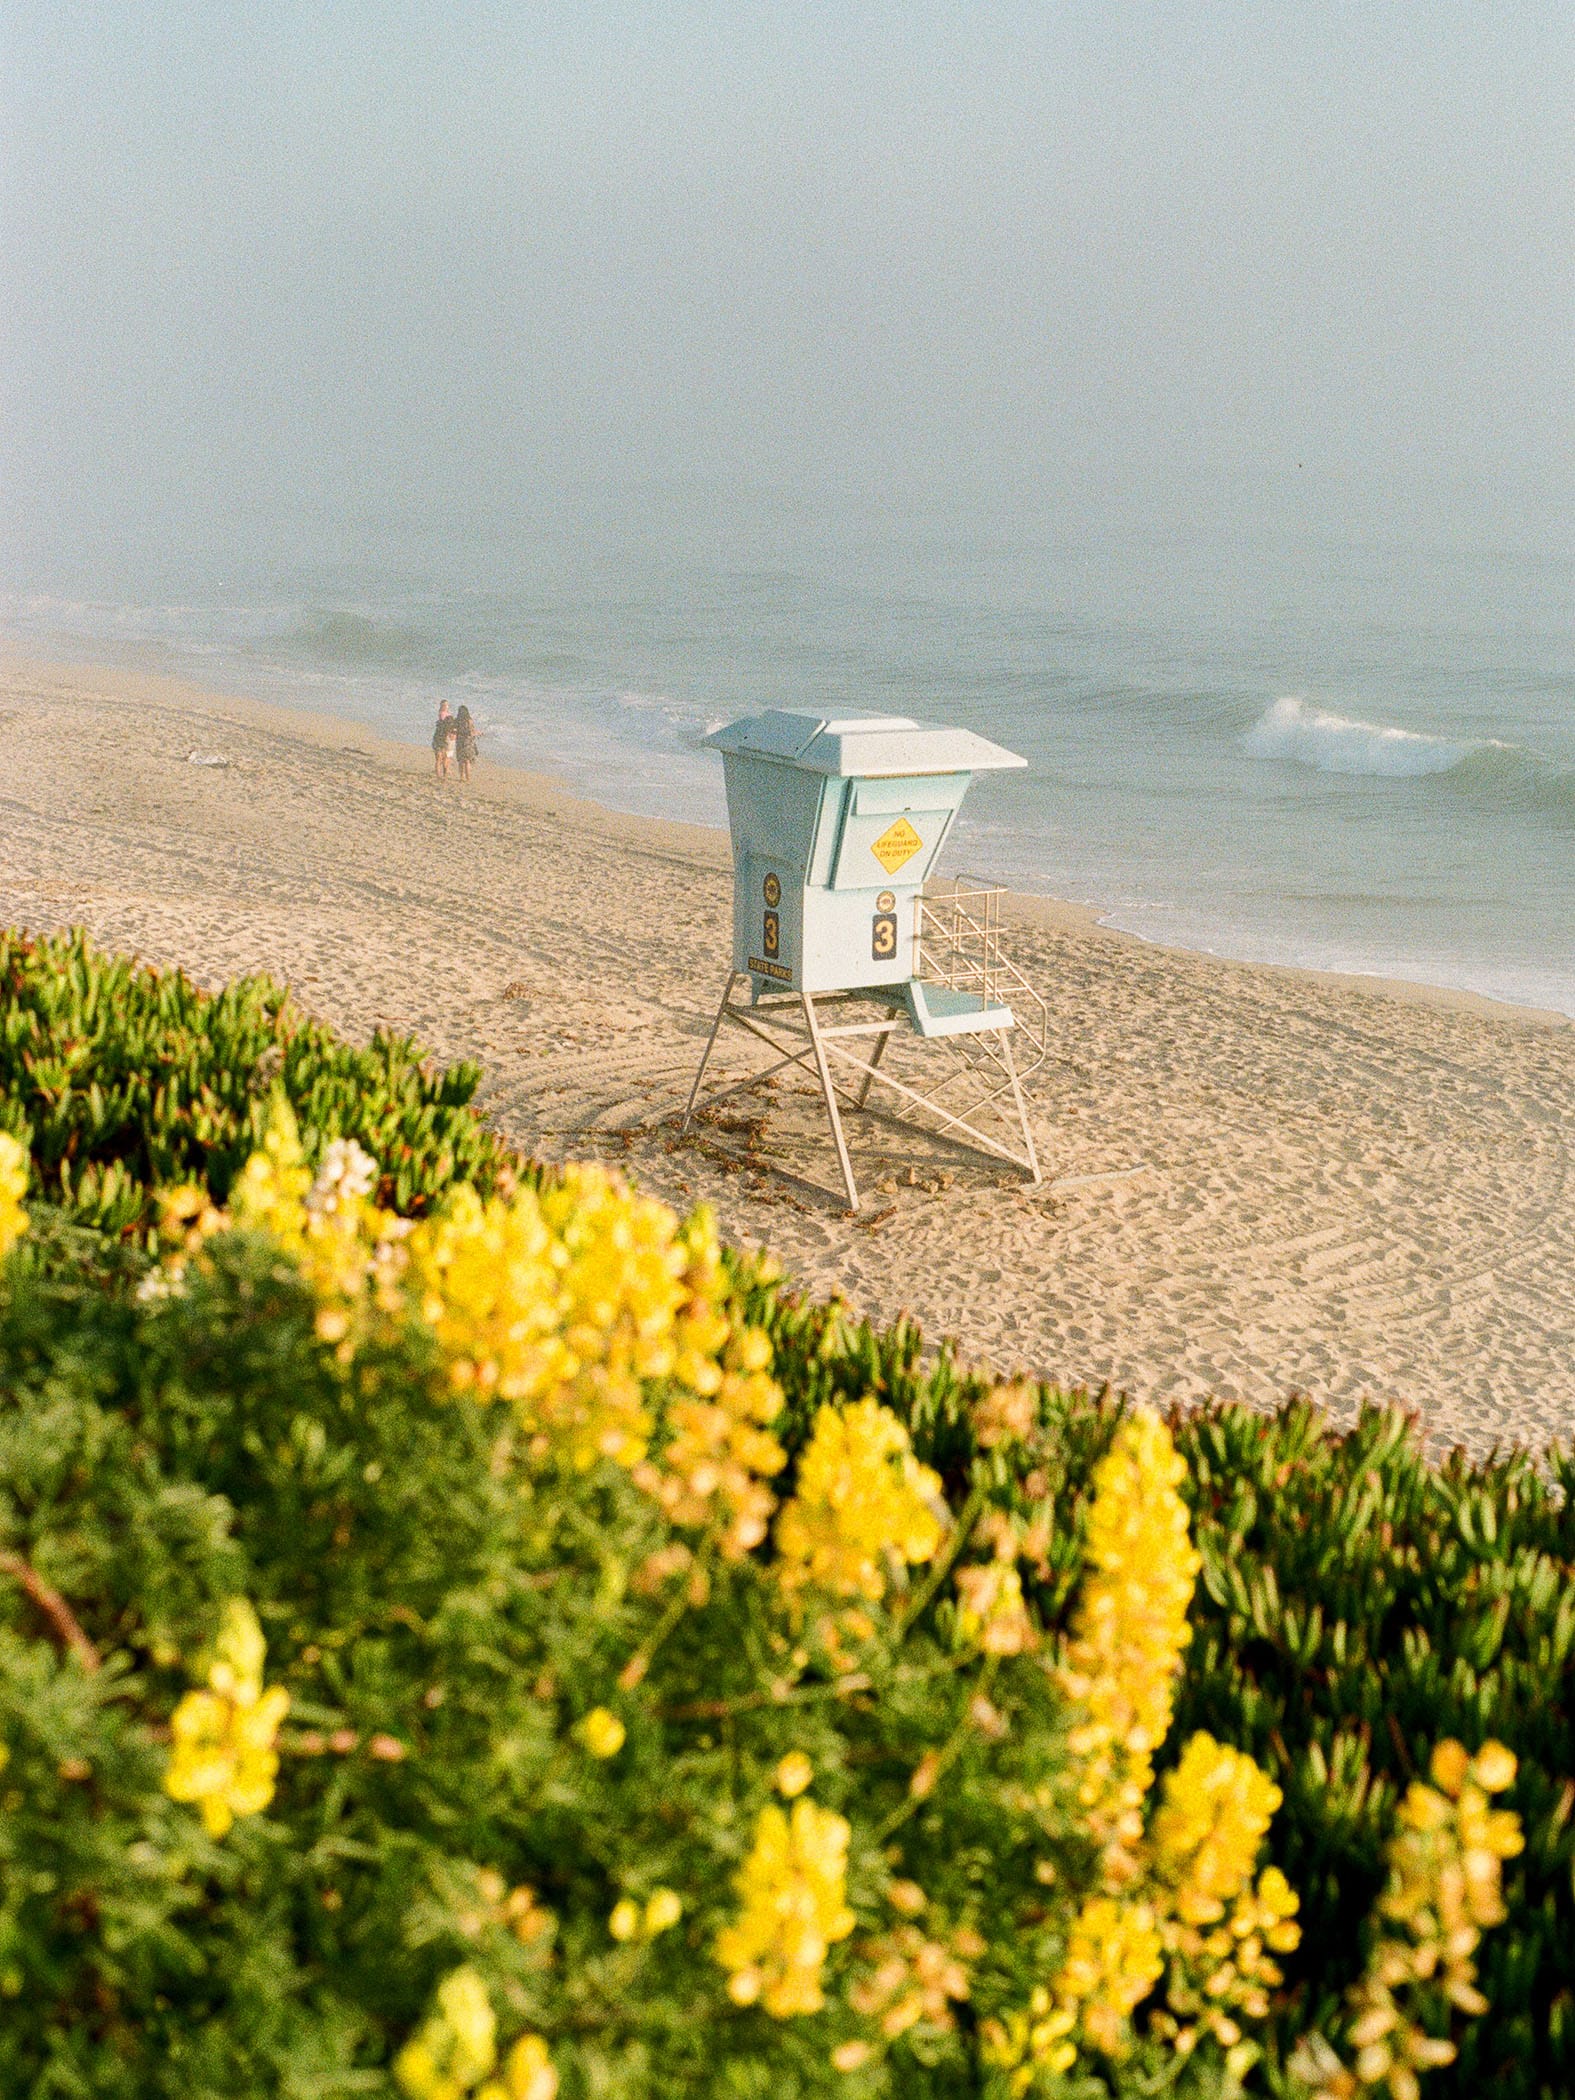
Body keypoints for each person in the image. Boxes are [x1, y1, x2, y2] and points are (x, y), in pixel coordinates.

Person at [454, 703, 481, 784]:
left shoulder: (457, 721)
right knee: (467, 761)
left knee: (461, 761)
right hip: (468, 743)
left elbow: (453, 730)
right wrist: (479, 733)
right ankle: (468, 778)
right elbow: (471, 732)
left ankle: (461, 777)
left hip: (459, 742)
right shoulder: (469, 721)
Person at [432, 699, 456, 779]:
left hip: (440, 739)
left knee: (442, 757)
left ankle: (440, 772)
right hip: (442, 739)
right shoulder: (442, 714)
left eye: (446, 705)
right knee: (444, 757)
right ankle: (442, 773)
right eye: (444, 705)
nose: (445, 706)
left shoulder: (446, 716)